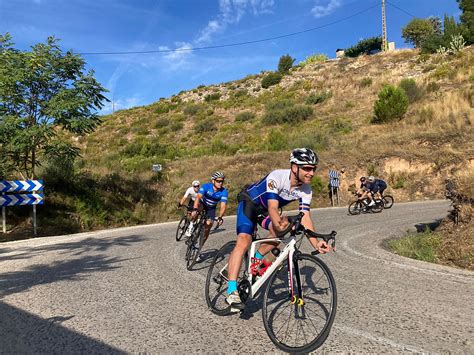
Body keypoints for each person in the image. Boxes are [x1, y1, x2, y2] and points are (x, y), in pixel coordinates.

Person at [225, 148, 332, 309]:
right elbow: (273, 208)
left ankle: (257, 258)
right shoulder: (277, 177)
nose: (311, 173)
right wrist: (279, 223)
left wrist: (315, 243)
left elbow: (306, 217)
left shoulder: (306, 190)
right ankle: (232, 290)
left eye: (313, 169)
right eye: (307, 168)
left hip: (264, 211)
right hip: (250, 204)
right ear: (294, 167)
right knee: (244, 240)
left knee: (287, 227)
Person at [191, 172, 228, 262]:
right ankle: (191, 225)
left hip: (211, 208)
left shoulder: (224, 191)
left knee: (208, 226)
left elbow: (223, 206)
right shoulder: (206, 186)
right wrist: (195, 209)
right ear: (213, 181)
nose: (220, 183)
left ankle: (198, 249)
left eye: (222, 181)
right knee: (195, 212)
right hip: (202, 204)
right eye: (218, 181)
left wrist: (220, 217)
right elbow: (198, 198)